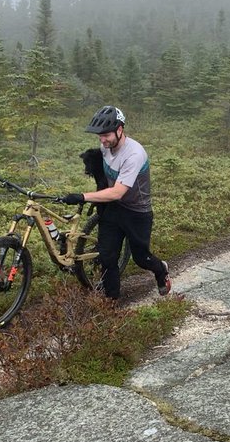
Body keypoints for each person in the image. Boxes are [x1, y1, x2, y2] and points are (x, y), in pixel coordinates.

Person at [61, 105, 171, 299]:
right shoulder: (106, 147)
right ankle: (111, 302)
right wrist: (93, 160)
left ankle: (160, 270)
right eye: (99, 136)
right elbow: (107, 178)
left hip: (137, 211)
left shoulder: (134, 154)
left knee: (141, 258)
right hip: (114, 209)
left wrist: (82, 196)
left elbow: (118, 192)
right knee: (107, 257)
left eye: (106, 135)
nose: (102, 140)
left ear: (120, 130)